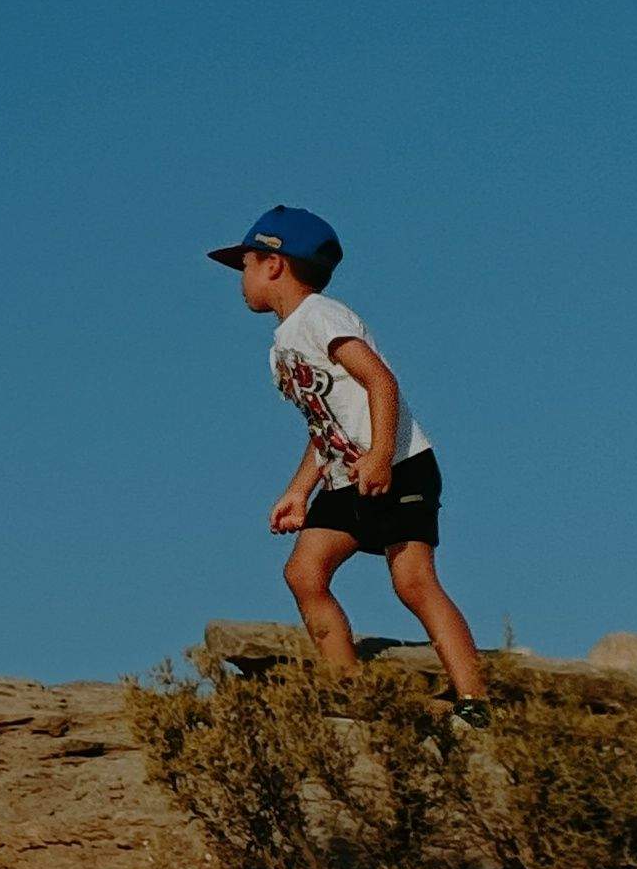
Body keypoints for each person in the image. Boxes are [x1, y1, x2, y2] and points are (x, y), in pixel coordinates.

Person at [205, 205, 489, 717]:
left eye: (245, 264)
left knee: (413, 581)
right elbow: (324, 428)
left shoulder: (322, 316)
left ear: (274, 264)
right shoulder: (281, 348)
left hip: (399, 464)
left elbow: (381, 381)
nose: (241, 278)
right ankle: (350, 691)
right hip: (345, 477)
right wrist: (299, 490)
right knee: (304, 573)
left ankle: (474, 702)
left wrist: (381, 456)